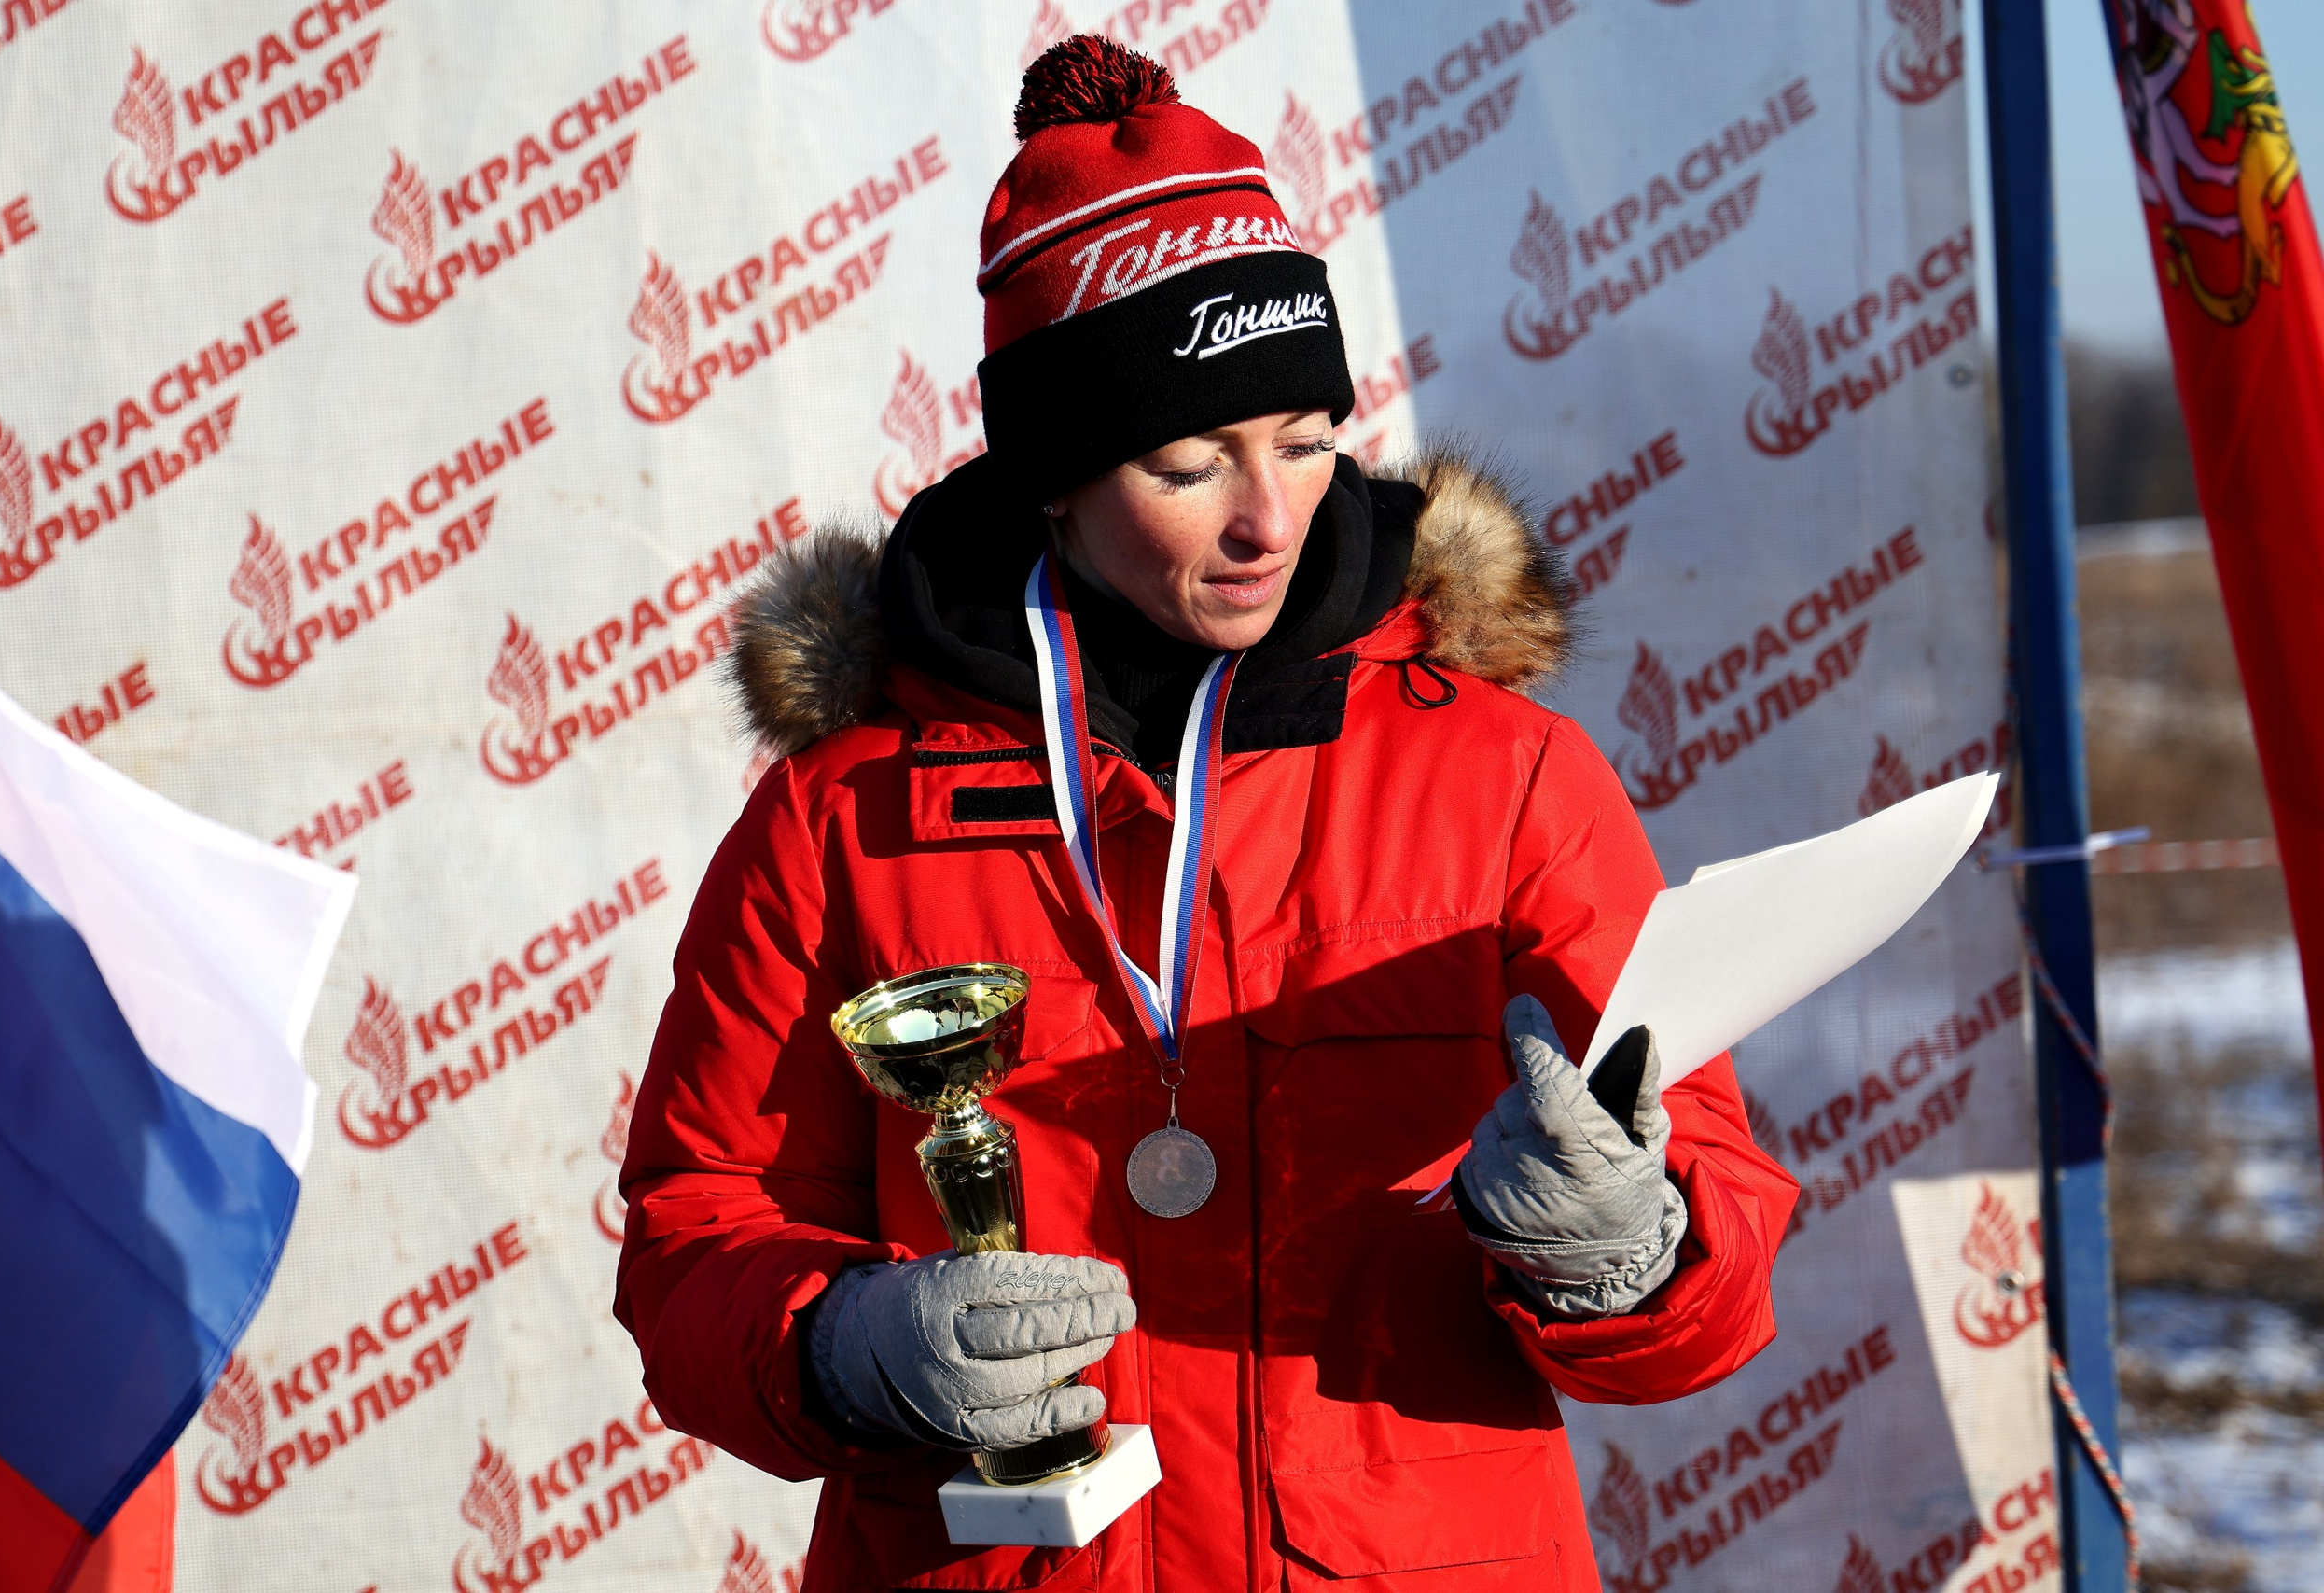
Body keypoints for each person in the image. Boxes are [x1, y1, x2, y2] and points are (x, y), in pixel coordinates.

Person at [616, 36, 1798, 1593]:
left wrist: (1628, 1254)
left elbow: (1714, 1247)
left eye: (1306, 444)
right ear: (1054, 477)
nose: (1267, 517)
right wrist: (843, 1346)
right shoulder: (846, 816)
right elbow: (702, 1229)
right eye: (1189, 461)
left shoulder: (1507, 778)